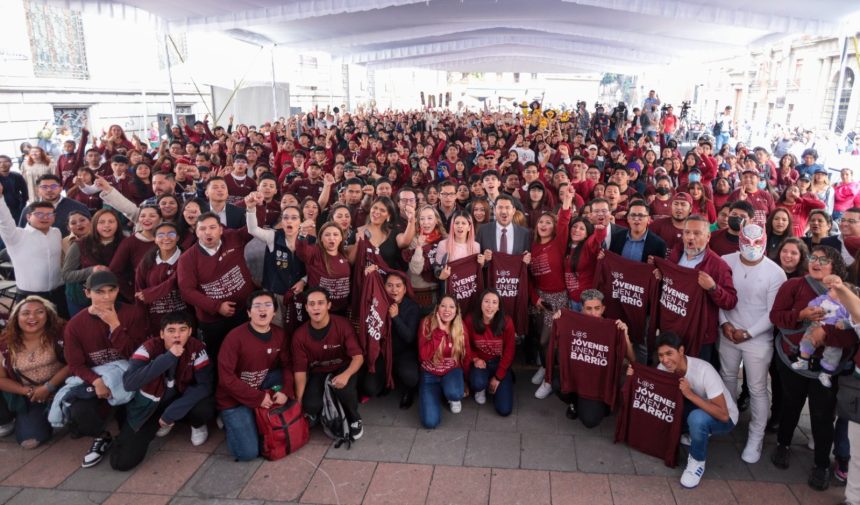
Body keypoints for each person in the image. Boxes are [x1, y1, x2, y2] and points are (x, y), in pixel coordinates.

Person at [769, 245, 858, 490]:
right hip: (792, 360)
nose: (816, 262)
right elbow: (776, 316)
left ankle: (821, 464)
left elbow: (852, 337)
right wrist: (801, 314)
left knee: (821, 415)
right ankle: (783, 445)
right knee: (791, 404)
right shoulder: (793, 285)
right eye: (813, 258)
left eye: (824, 260)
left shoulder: (847, 292)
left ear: (836, 267)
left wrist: (825, 334)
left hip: (827, 368)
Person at [62, 271, 148, 468]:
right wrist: (96, 381)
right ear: (87, 293)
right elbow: (75, 364)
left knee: (128, 437)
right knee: (80, 411)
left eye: (111, 290)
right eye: (100, 292)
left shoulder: (132, 313)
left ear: (118, 290)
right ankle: (101, 435)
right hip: (99, 378)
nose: (107, 297)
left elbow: (139, 355)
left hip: (129, 376)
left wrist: (115, 326)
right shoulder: (75, 325)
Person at [718, 224, 786, 464]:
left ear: (765, 242)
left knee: (757, 388)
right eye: (747, 243)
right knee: (726, 376)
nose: (752, 248)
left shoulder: (775, 273)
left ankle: (755, 437)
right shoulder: (725, 260)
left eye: (757, 244)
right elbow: (718, 296)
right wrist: (725, 323)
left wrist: (748, 333)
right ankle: (727, 418)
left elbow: (772, 312)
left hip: (758, 338)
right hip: (728, 332)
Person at [112, 310, 214, 470]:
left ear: (190, 332)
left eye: (182, 330)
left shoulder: (196, 348)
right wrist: (168, 358)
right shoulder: (149, 347)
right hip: (152, 405)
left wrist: (172, 413)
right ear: (161, 333)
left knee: (204, 408)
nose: (177, 336)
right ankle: (162, 423)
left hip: (181, 401)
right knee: (123, 462)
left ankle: (195, 424)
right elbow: (130, 383)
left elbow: (205, 385)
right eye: (171, 330)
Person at [652, 331, 737, 489]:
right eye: (661, 355)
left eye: (669, 353)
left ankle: (697, 461)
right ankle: (692, 433)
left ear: (681, 350)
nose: (665, 360)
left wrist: (690, 394)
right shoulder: (662, 367)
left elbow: (724, 415)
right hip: (695, 407)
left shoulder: (704, 370)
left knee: (697, 419)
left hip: (724, 417)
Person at [177, 212, 255, 368]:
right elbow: (187, 291)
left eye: (212, 227)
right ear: (196, 232)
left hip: (243, 311)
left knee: (246, 350)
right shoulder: (187, 258)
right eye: (203, 228)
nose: (208, 232)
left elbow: (252, 228)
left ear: (220, 229)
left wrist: (253, 207)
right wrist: (217, 306)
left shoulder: (232, 237)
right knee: (218, 356)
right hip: (213, 320)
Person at [291, 287, 364, 437]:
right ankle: (322, 410)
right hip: (318, 373)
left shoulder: (342, 324)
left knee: (344, 390)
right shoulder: (299, 336)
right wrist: (299, 401)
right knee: (310, 405)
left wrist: (346, 375)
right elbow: (300, 371)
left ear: (328, 305)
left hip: (342, 368)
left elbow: (358, 357)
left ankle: (354, 417)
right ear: (306, 307)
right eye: (311, 304)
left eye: (320, 303)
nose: (316, 307)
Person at [556, 289, 635, 426]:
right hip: (578, 377)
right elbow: (559, 349)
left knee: (590, 421)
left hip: (599, 382)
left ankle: (604, 406)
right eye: (589, 309)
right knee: (557, 383)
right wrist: (559, 322)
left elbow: (633, 359)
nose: (593, 313)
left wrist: (625, 337)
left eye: (597, 308)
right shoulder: (573, 323)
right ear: (582, 309)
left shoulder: (613, 328)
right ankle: (574, 402)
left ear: (603, 309)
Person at [0, 296, 69, 448]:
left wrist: (48, 387)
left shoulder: (61, 333)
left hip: (61, 387)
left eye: (39, 312)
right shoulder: (5, 343)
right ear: (16, 318)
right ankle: (12, 418)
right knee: (29, 442)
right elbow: (1, 379)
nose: (32, 317)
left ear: (48, 315)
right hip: (30, 395)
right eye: (25, 313)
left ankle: (55, 411)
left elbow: (73, 364)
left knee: (78, 418)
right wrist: (27, 391)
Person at [530, 188, 572, 398]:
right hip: (539, 299)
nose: (544, 225)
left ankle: (548, 378)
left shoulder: (558, 243)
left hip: (557, 298)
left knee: (549, 341)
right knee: (539, 338)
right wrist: (535, 298)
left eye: (548, 222)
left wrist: (566, 202)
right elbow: (526, 277)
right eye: (541, 223)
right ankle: (544, 367)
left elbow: (564, 221)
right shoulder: (533, 246)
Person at [0, 182, 64, 314]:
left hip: (59, 294)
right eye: (39, 214)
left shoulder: (56, 232)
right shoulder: (16, 236)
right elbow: (5, 221)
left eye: (50, 214)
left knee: (59, 330)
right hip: (29, 297)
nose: (45, 217)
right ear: (28, 217)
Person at [418, 295, 470, 429]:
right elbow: (424, 356)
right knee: (430, 422)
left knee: (455, 392)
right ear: (437, 308)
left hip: (451, 371)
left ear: (456, 310)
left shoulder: (460, 326)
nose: (447, 310)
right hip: (430, 374)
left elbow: (466, 355)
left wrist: (464, 381)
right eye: (443, 306)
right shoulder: (426, 323)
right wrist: (439, 332)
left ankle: (451, 394)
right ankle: (438, 392)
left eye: (451, 307)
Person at [62, 209, 123, 316]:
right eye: (102, 222)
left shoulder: (125, 243)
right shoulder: (79, 245)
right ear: (94, 224)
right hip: (82, 299)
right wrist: (91, 270)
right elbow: (66, 275)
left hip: (116, 298)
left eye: (111, 222)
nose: (107, 225)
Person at [791, 285, 853, 388]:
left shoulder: (846, 307)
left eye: (833, 290)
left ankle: (826, 373)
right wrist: (815, 308)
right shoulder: (823, 298)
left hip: (835, 332)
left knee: (834, 351)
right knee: (807, 338)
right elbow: (811, 304)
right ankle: (803, 360)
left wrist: (844, 323)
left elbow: (852, 319)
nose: (830, 290)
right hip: (818, 324)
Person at [465, 290, 515, 416]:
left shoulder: (506, 321)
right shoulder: (470, 320)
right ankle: (481, 387)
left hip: (499, 363)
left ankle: (497, 381)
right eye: (486, 302)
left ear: (498, 307)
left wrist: (498, 377)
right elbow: (465, 345)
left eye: (494, 302)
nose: (490, 306)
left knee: (504, 410)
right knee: (477, 383)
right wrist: (475, 358)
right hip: (481, 364)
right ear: (480, 304)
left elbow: (510, 351)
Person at [134, 222, 188, 337]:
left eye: (171, 234)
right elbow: (139, 291)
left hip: (183, 316)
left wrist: (150, 294)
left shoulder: (186, 258)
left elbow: (175, 280)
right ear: (155, 239)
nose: (166, 238)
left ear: (177, 237)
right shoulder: (147, 261)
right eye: (161, 235)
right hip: (155, 319)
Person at [19, 174, 90, 237]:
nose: (49, 190)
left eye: (54, 186)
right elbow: (21, 234)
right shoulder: (29, 210)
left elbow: (90, 230)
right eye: (44, 187)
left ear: (61, 188)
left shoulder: (78, 207)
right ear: (37, 190)